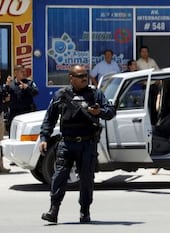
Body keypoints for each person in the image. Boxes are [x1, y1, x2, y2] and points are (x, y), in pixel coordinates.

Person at [39, 65, 116, 223]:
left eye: (85, 76)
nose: (84, 78)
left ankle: (85, 211)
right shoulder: (61, 94)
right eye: (80, 76)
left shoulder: (95, 94)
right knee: (59, 176)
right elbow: (50, 118)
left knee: (87, 179)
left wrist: (99, 112)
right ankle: (53, 211)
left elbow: (111, 112)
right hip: (67, 143)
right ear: (71, 78)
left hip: (87, 144)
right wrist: (44, 138)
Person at [5, 65, 39, 135]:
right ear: (15, 73)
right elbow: (4, 97)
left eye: (25, 71)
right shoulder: (11, 84)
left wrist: (27, 87)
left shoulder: (29, 83)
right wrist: (6, 86)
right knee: (13, 134)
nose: (24, 73)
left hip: (27, 113)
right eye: (22, 72)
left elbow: (36, 92)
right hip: (14, 114)